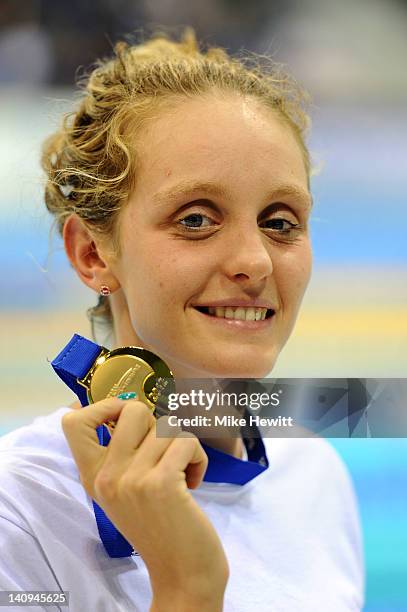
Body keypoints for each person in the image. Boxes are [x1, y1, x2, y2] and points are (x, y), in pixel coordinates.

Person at [0, 28, 364, 611]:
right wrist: (186, 587)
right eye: (196, 220)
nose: (254, 261)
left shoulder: (313, 474)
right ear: (92, 254)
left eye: (280, 220)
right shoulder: (19, 509)